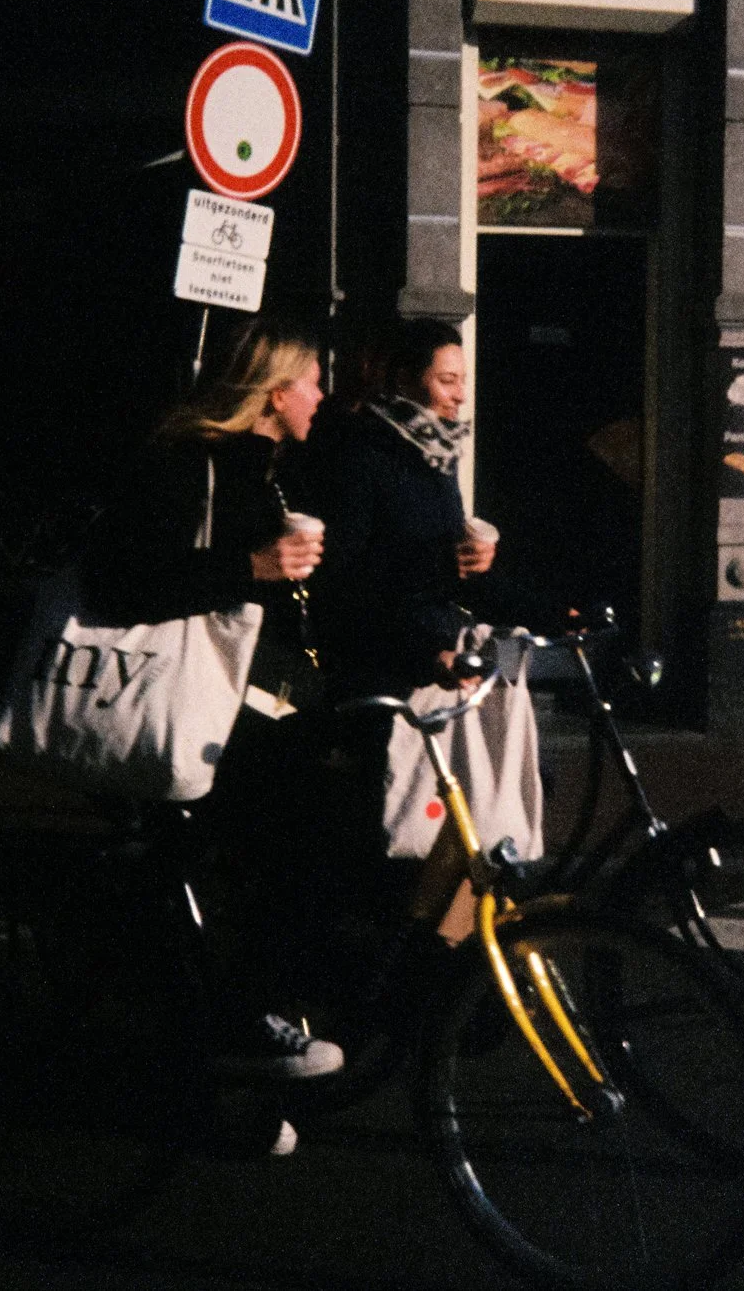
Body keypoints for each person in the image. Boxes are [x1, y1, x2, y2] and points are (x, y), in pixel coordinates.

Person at [75, 317, 341, 1082]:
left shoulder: (266, 472)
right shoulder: (188, 465)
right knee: (299, 831)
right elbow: (123, 582)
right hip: (180, 708)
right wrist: (252, 565)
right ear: (275, 390)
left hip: (247, 701)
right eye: (312, 380)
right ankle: (238, 1022)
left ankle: (234, 1035)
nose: (322, 394)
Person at [300, 319, 502, 700]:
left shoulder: (438, 454)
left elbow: (448, 566)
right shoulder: (361, 453)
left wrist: (551, 612)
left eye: (462, 380)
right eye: (447, 380)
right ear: (405, 379)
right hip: (378, 669)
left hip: (432, 659)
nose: (460, 395)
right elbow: (343, 577)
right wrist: (443, 566)